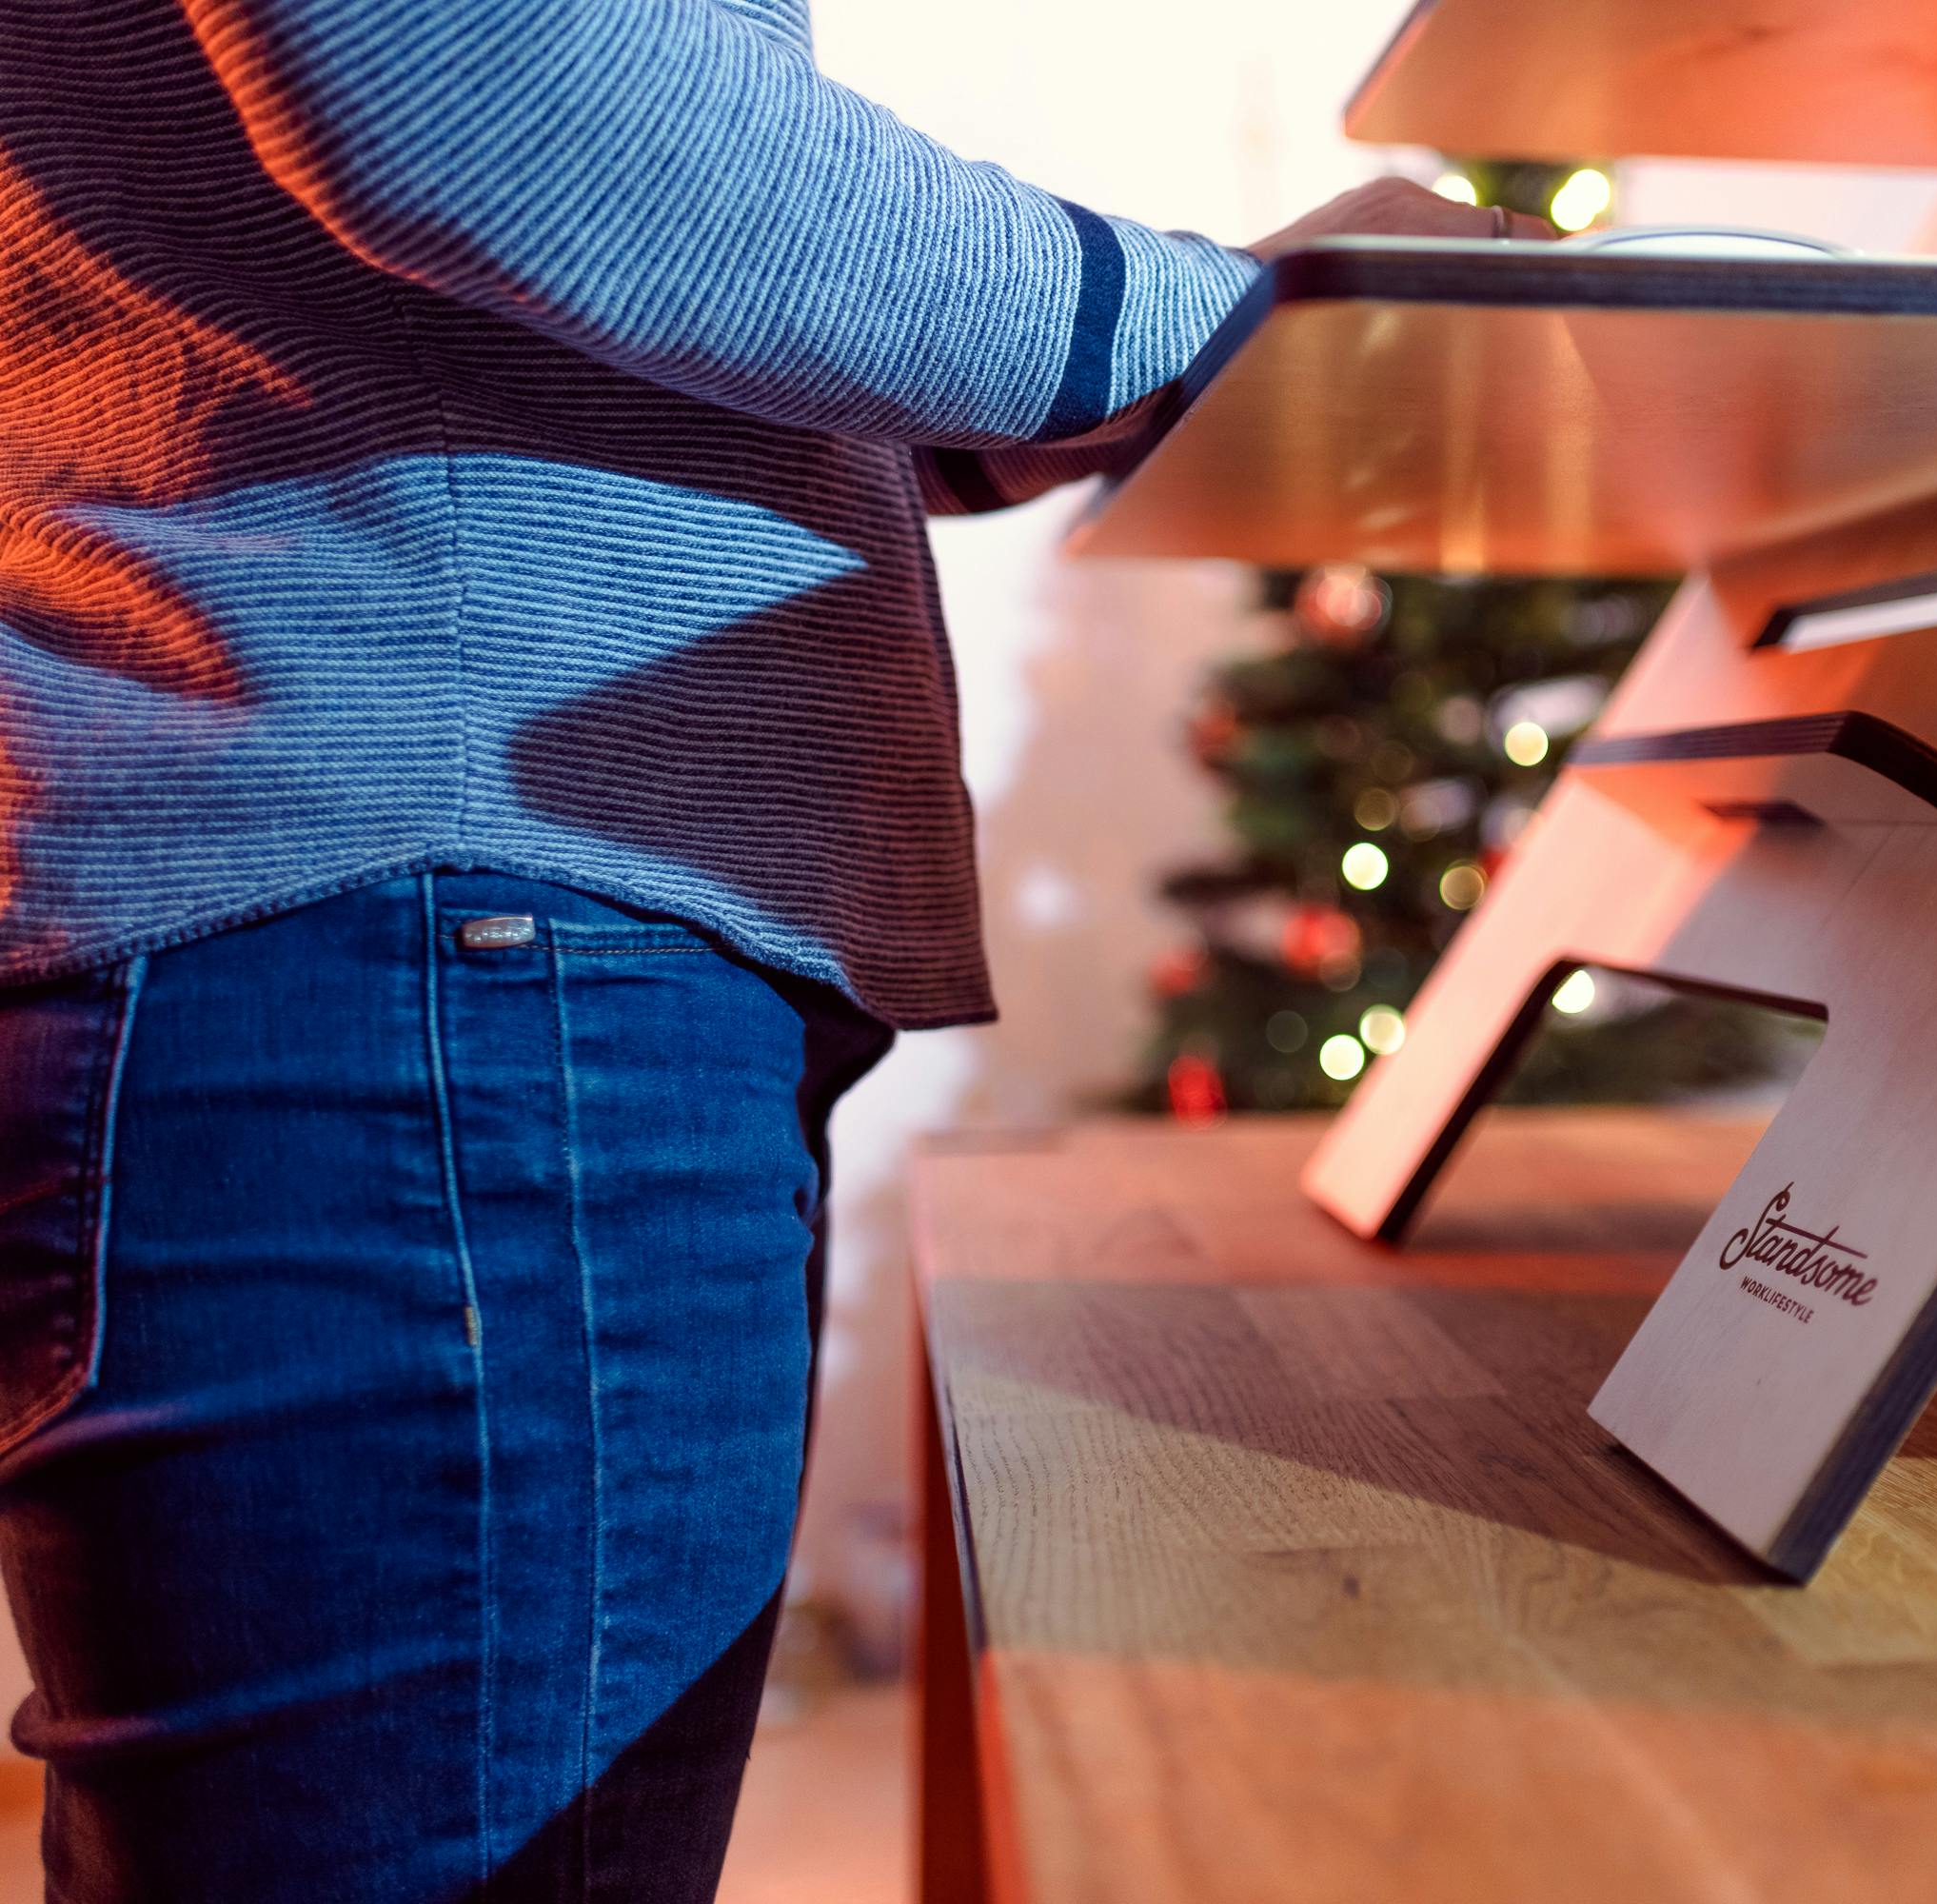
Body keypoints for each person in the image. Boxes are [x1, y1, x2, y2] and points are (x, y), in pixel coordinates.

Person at [0, 1, 1548, 1895]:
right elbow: (482, 91)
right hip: (442, 958)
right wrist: (1236, 320)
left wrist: (1184, 358)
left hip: (418, 955)